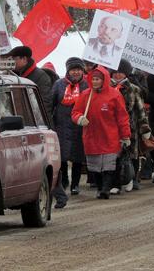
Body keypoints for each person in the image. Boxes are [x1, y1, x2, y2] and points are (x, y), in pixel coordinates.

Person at [71, 67, 130, 199]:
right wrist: (80, 119)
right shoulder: (86, 94)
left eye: (98, 79)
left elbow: (122, 117)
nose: (95, 81)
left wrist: (125, 135)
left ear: (104, 80)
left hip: (110, 135)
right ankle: (99, 187)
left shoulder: (114, 95)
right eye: (93, 79)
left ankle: (105, 189)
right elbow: (75, 112)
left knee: (108, 165)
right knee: (95, 166)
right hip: (91, 136)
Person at [51, 57, 88, 207]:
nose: (76, 72)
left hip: (80, 125)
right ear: (68, 71)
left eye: (78, 69)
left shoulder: (87, 85)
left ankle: (75, 184)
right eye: (73, 69)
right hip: (62, 125)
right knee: (63, 157)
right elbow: (51, 103)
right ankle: (64, 181)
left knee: (78, 156)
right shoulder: (59, 84)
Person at [110, 60, 150, 193]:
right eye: (115, 73)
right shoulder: (107, 88)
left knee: (132, 154)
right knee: (114, 156)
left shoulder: (134, 89)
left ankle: (133, 179)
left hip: (130, 126)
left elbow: (140, 110)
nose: (117, 75)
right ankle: (115, 183)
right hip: (111, 128)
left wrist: (145, 128)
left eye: (120, 73)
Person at [4, 46, 53, 115]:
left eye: (13, 59)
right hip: (12, 117)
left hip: (31, 120)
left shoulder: (41, 77)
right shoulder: (10, 74)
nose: (10, 62)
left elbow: (44, 104)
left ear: (24, 59)